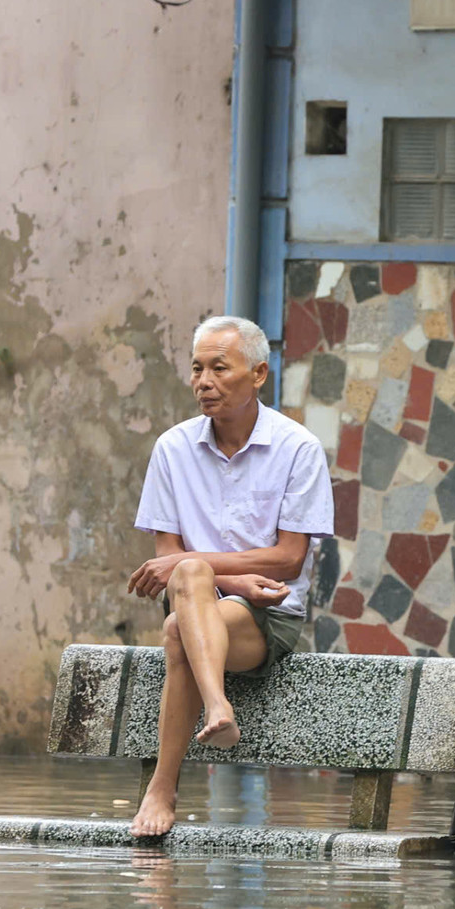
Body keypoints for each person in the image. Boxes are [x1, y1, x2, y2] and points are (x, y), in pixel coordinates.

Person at [125, 316, 334, 836]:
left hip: (267, 614)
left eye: (220, 368)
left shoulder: (298, 448)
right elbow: (169, 557)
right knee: (190, 578)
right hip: (199, 596)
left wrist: (214, 576)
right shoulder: (172, 448)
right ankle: (217, 704)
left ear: (258, 374)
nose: (204, 381)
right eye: (197, 368)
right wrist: (231, 579)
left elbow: (288, 559)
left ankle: (163, 786)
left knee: (178, 624)